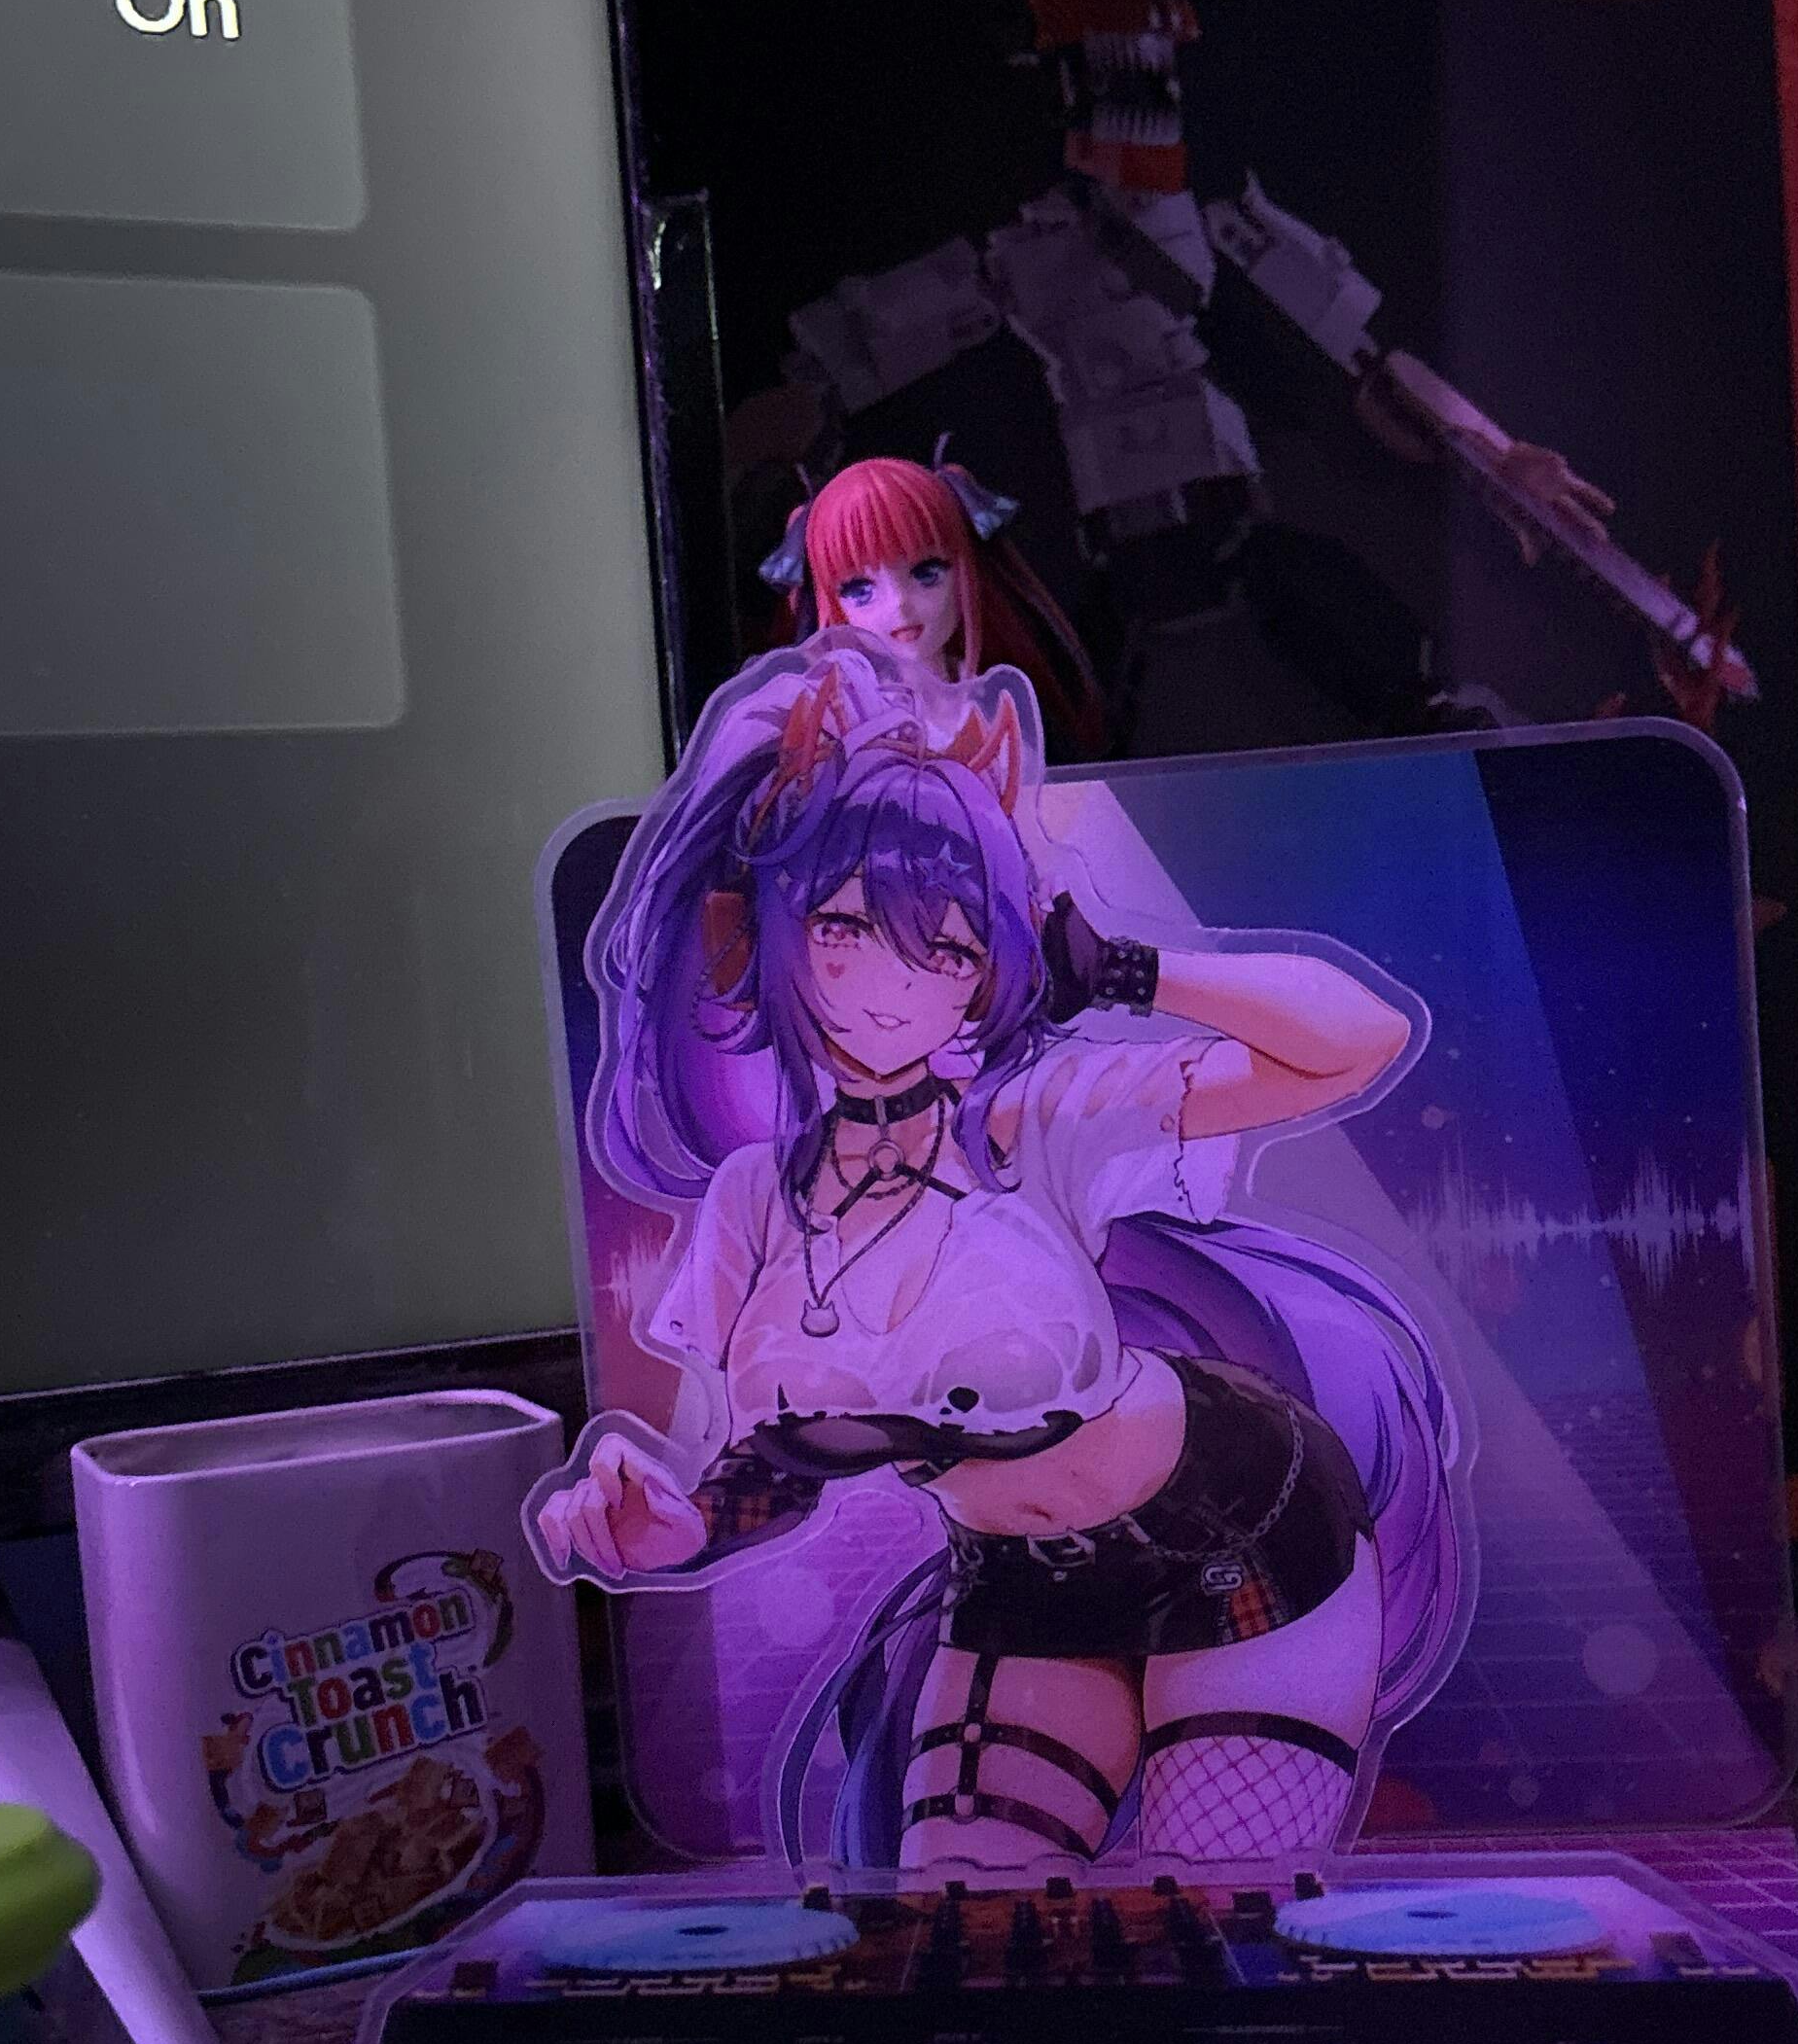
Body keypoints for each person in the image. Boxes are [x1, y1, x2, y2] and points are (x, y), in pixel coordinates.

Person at [533, 650, 1468, 1881]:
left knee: (1211, 1928)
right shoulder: (757, 1202)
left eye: (946, 946)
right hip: (1017, 1590)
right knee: (966, 1934)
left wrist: (1125, 969)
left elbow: (1358, 1041)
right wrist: (675, 1530)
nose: (889, 987)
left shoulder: (1032, 1129)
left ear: (991, 967)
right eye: (845, 929)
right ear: (768, 934)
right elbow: (774, 1466)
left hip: (1239, 1533)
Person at [767, 452, 1110, 761]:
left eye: (926, 573)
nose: (899, 603)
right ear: (832, 603)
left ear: (965, 574)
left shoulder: (997, 704)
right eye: (861, 590)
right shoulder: (835, 726)